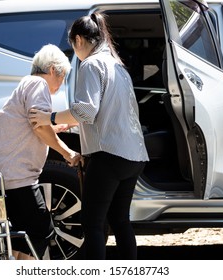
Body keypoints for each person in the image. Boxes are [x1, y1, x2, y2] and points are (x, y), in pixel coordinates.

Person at [29, 13, 149, 260]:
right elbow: (107, 114)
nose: (74, 53)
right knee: (120, 220)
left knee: (92, 222)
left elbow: (86, 110)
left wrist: (49, 118)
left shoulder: (91, 65)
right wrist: (69, 125)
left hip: (108, 155)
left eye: (73, 46)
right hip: (134, 155)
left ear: (79, 40)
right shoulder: (117, 65)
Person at [0, 44, 82, 260]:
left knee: (21, 235)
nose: (61, 84)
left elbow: (30, 124)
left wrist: (57, 127)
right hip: (16, 176)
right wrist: (68, 153)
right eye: (62, 77)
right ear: (54, 70)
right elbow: (39, 127)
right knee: (40, 231)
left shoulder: (26, 83)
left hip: (2, 172)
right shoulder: (38, 84)